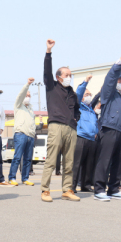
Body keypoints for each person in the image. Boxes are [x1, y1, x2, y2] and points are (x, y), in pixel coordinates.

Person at [40, 39, 81, 202]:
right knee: (51, 159)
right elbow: (46, 71)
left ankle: (67, 190)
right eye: (66, 75)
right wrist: (48, 52)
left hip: (71, 128)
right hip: (56, 125)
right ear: (58, 77)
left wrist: (75, 119)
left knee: (69, 162)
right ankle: (45, 190)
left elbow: (77, 108)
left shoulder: (72, 92)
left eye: (70, 75)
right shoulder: (51, 86)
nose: (69, 78)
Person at [93, 46, 121, 201]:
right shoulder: (108, 93)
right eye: (120, 79)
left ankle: (114, 188)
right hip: (110, 128)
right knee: (105, 159)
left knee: (119, 161)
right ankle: (99, 189)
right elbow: (111, 76)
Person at [7, 78, 38, 186]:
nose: (28, 97)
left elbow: (33, 122)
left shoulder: (30, 109)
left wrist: (33, 133)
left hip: (30, 136)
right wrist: (27, 85)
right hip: (20, 134)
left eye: (29, 96)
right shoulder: (18, 105)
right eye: (27, 95)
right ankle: (12, 177)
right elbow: (21, 95)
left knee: (28, 159)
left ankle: (25, 178)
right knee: (17, 157)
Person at [71, 75, 99, 193]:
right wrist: (85, 82)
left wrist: (96, 132)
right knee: (77, 163)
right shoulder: (78, 107)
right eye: (87, 95)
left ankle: (86, 185)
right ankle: (71, 186)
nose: (89, 97)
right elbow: (78, 92)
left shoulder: (91, 110)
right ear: (81, 98)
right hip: (80, 137)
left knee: (89, 164)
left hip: (91, 139)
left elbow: (94, 123)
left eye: (90, 95)